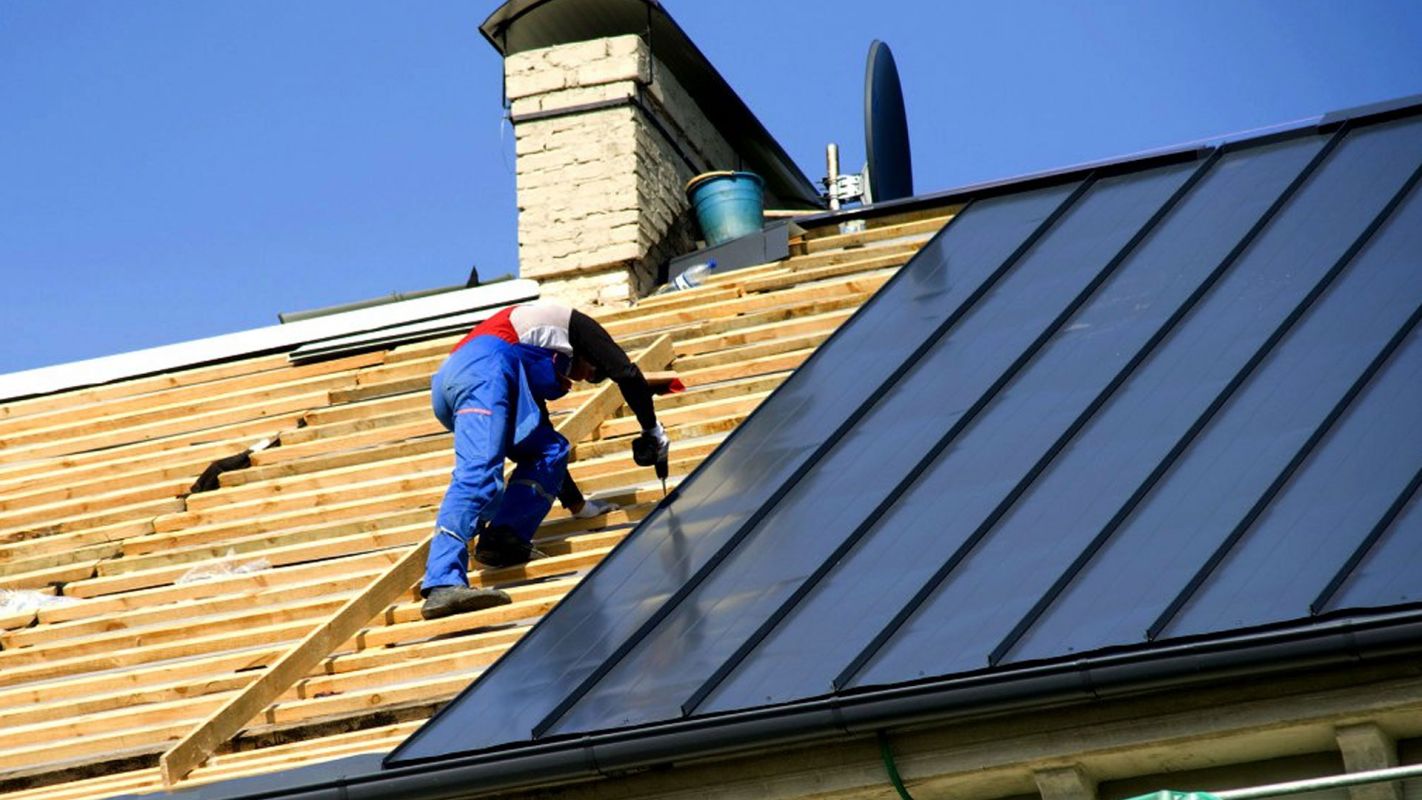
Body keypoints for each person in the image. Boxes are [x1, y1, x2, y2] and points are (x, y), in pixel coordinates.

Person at [420, 301, 670, 620]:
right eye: (589, 372)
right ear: (586, 353)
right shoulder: (573, 325)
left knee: (549, 449)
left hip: (482, 375)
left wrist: (580, 507)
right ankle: (443, 582)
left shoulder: (530, 358)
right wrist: (652, 430)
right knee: (479, 474)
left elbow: (542, 434)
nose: (580, 378)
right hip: (481, 370)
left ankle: (503, 537)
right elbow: (626, 372)